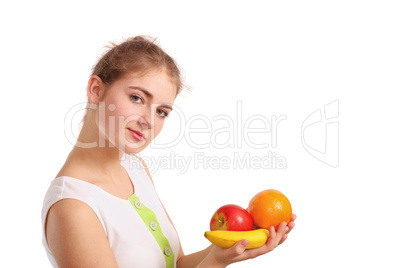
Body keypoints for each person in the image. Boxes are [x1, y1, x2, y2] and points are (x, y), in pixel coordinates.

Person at [41, 35, 296, 268]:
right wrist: (213, 265)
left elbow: (176, 264)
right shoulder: (73, 207)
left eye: (162, 111)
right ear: (96, 90)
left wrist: (225, 251)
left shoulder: (135, 168)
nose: (149, 121)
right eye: (137, 98)